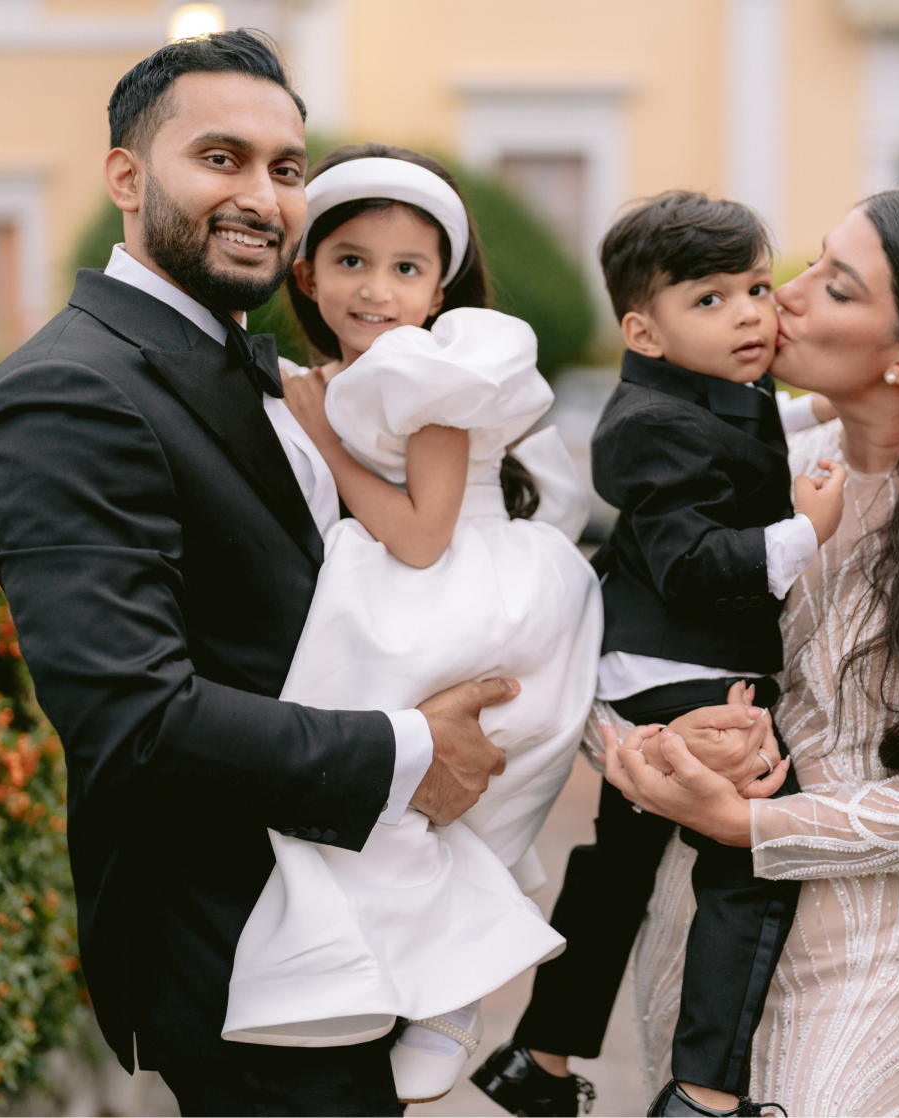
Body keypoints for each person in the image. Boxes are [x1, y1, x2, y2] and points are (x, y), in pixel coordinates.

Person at [0, 32, 518, 1118]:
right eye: (221, 157)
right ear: (126, 176)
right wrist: (411, 750)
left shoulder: (283, 375)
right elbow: (133, 713)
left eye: (286, 167)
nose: (262, 196)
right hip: (240, 949)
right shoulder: (69, 392)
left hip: (346, 927)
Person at [603, 170, 899, 1118]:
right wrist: (663, 749)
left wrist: (756, 826)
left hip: (874, 966)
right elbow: (617, 659)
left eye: (835, 284)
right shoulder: (749, 465)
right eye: (817, 258)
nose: (781, 291)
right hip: (699, 938)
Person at [219, 144, 603, 1106]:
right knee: (361, 790)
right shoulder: (326, 374)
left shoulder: (430, 373)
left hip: (449, 583)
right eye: (351, 261)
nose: (376, 290)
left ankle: (453, 991)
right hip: (389, 578)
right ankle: (367, 967)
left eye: (405, 269)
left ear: (439, 288)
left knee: (425, 795)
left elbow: (424, 536)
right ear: (304, 273)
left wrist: (320, 439)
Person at [474, 192, 843, 1118]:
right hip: (674, 670)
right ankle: (705, 1096)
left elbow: (747, 438)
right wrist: (805, 532)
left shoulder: (714, 389)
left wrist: (822, 418)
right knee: (754, 848)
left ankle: (541, 1062)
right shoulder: (644, 426)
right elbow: (688, 563)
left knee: (616, 871)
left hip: (653, 664)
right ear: (643, 330)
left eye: (757, 287)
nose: (750, 313)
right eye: (711, 299)